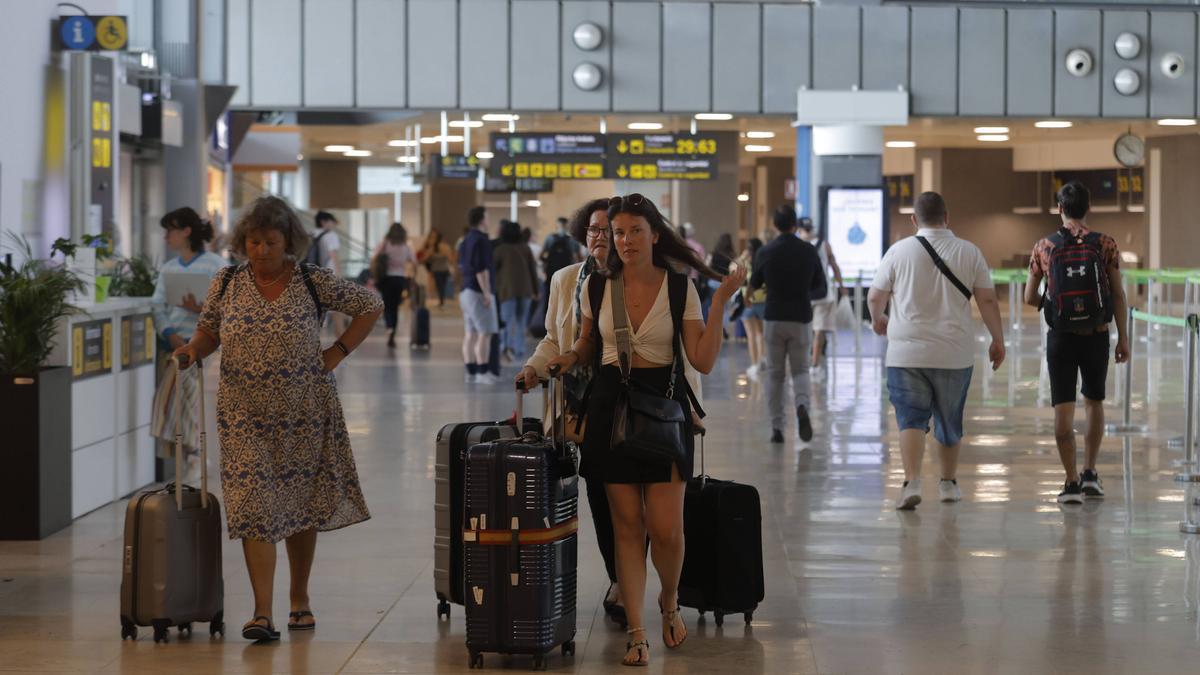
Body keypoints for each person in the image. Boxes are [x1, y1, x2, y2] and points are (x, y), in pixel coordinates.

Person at [546, 193, 744, 667]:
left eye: (636, 231)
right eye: (618, 233)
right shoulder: (598, 285)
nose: (626, 240)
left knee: (666, 530)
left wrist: (719, 302)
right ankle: (638, 632)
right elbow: (588, 342)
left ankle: (669, 600)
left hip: (663, 410)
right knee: (627, 530)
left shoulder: (680, 289)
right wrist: (568, 358)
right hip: (610, 408)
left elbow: (702, 359)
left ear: (655, 234)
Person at [174, 196, 383, 641]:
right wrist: (194, 350)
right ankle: (261, 613)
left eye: (271, 242)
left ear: (289, 242)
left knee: (298, 504)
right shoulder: (227, 282)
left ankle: (299, 600)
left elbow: (370, 305)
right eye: (253, 242)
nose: (261, 251)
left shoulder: (312, 279)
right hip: (241, 412)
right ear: (241, 242)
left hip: (303, 411)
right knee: (253, 506)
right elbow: (209, 329)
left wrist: (336, 353)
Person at [518, 198, 625, 626]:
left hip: (631, 402)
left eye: (609, 231)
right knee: (599, 493)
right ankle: (620, 579)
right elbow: (552, 338)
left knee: (634, 500)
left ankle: (640, 581)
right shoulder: (566, 279)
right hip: (581, 408)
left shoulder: (638, 279)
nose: (600, 239)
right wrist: (533, 367)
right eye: (594, 230)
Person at [867, 191, 1006, 510]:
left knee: (910, 419)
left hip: (906, 354)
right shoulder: (969, 252)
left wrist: (879, 319)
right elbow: (986, 300)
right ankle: (947, 483)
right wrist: (998, 339)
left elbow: (875, 297)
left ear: (914, 220)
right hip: (953, 354)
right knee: (949, 418)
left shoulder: (898, 251)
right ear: (948, 217)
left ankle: (912, 481)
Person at [1024, 181, 1129, 505]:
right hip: (1096, 336)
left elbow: (1029, 297)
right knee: (1094, 402)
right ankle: (1090, 474)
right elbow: (1117, 294)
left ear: (1059, 208)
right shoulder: (1105, 244)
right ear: (1088, 209)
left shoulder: (1044, 246)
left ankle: (1070, 482)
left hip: (1061, 340)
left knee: (1063, 412)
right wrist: (1123, 337)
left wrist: (1052, 307)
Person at [149, 207, 226, 484]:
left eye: (170, 229)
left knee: (181, 395)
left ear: (186, 231)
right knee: (181, 399)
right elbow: (157, 305)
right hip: (173, 344)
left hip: (201, 344)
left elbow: (226, 306)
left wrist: (201, 309)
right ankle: (191, 455)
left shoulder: (215, 265)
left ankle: (193, 454)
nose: (166, 236)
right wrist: (169, 332)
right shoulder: (168, 269)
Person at [749, 206, 827, 444]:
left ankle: (777, 428)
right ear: (795, 225)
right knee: (801, 370)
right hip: (801, 317)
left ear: (774, 224)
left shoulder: (765, 251)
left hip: (773, 316)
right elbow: (821, 287)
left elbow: (754, 285)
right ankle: (802, 406)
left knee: (775, 374)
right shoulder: (808, 251)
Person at [458, 206, 500, 384]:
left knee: (470, 333)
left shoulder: (465, 239)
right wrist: (487, 292)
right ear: (482, 219)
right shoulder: (482, 240)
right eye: (488, 217)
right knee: (486, 333)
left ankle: (471, 371)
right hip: (477, 291)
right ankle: (483, 372)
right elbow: (481, 269)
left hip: (465, 290)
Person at [798, 217, 844, 375]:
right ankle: (815, 365)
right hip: (823, 294)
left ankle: (802, 363)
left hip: (802, 294)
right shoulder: (824, 244)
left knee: (804, 330)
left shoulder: (797, 245)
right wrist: (842, 286)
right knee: (819, 330)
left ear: (799, 229)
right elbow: (834, 266)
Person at [493, 219, 538, 362]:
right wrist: (536, 289)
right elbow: (533, 270)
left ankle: (506, 346)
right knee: (521, 321)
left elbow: (493, 270)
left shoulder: (500, 249)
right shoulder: (525, 248)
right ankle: (519, 349)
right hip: (525, 289)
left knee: (507, 320)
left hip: (507, 291)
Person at [373, 223, 417, 348]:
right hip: (400, 279)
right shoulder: (406, 246)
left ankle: (389, 327)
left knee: (386, 305)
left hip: (386, 278)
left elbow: (375, 257)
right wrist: (413, 276)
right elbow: (414, 262)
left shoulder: (386, 243)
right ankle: (393, 331)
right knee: (395, 307)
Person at [309, 210, 348, 333]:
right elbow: (334, 256)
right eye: (332, 222)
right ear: (323, 222)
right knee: (337, 310)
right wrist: (340, 275)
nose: (334, 225)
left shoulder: (311, 233)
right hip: (329, 275)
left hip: (312, 275)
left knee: (314, 310)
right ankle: (341, 343)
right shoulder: (331, 235)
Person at [739, 237, 766, 380]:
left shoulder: (745, 263)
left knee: (750, 335)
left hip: (747, 301)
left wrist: (742, 257)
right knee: (760, 334)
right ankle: (761, 361)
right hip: (762, 300)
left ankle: (754, 364)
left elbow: (733, 269)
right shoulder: (762, 262)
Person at [704, 233, 737, 320]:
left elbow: (705, 267)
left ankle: (712, 326)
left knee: (712, 306)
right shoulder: (732, 255)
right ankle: (723, 329)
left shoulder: (713, 254)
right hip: (725, 282)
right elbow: (734, 270)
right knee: (724, 307)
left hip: (712, 282)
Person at [420, 229, 455, 307]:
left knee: (440, 286)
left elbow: (425, 257)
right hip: (443, 269)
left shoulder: (435, 247)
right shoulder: (445, 247)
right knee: (441, 286)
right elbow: (451, 259)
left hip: (438, 270)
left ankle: (441, 300)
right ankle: (441, 300)